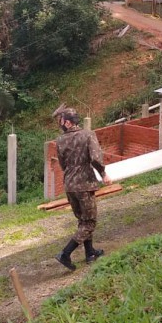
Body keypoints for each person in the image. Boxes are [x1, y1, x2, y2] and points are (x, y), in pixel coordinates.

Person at [53, 105, 111, 271]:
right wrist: (103, 174)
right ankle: (65, 253)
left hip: (70, 186)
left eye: (61, 121)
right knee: (90, 222)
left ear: (69, 123)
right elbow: (95, 158)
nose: (60, 124)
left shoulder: (60, 140)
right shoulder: (87, 135)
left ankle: (90, 253)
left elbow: (63, 164)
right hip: (84, 185)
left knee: (82, 220)